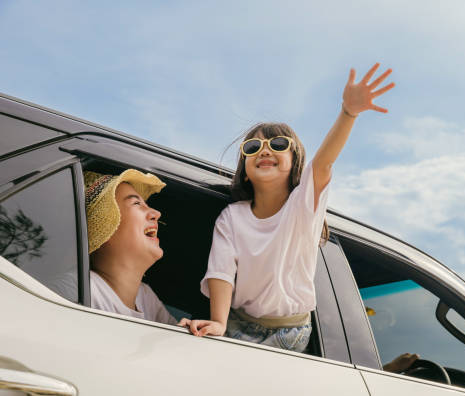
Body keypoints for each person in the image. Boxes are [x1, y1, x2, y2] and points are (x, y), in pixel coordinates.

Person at [179, 63, 394, 352]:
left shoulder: (302, 207)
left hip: (290, 331)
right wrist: (218, 322)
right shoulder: (232, 217)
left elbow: (324, 163)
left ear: (295, 164)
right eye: (253, 148)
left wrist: (348, 113)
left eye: (278, 144)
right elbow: (221, 273)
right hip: (238, 322)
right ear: (244, 170)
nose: (265, 149)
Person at [85, 169, 177, 325]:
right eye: (136, 203)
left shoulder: (146, 297)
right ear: (107, 229)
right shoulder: (79, 288)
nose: (156, 213)